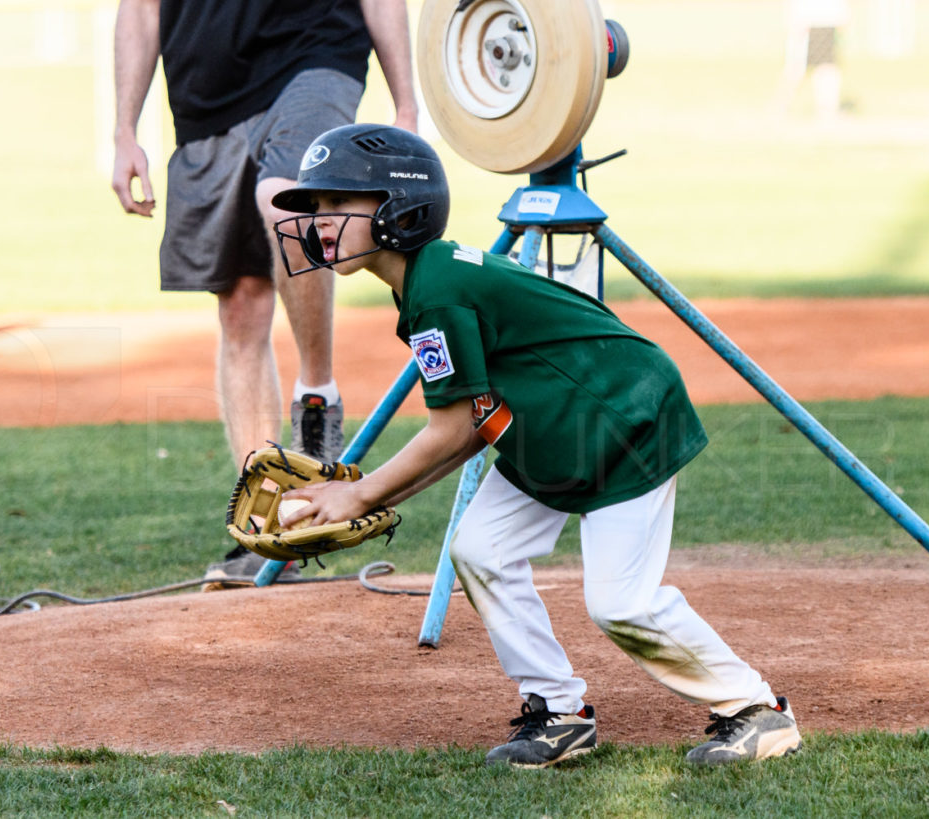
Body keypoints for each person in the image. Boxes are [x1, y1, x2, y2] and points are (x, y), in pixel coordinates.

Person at [271, 123, 803, 768]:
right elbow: (469, 426)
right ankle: (560, 713)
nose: (320, 223)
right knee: (480, 550)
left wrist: (360, 491)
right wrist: (364, 494)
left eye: (337, 204)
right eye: (315, 209)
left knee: (621, 603)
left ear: (398, 207)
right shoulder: (423, 286)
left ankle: (757, 710)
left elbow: (455, 426)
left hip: (622, 417)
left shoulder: (437, 287)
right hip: (550, 428)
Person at [110, 0, 419, 586]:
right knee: (242, 307)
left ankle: (316, 397)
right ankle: (270, 523)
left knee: (285, 196)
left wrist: (406, 103)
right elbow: (142, 9)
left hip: (315, 51)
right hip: (206, 94)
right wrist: (125, 130)